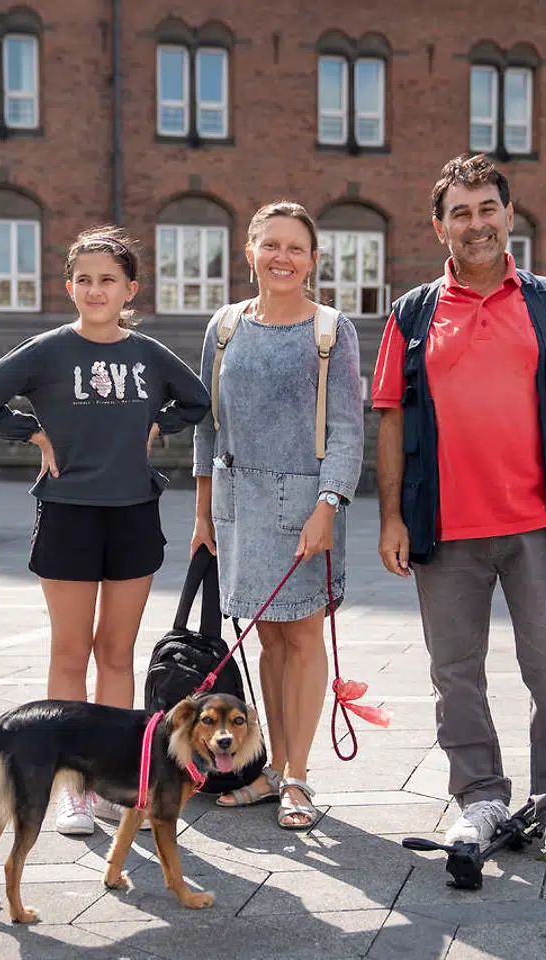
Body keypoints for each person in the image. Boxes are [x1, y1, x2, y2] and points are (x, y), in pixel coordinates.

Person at [371, 154, 546, 871]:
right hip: (444, 528)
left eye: (487, 209)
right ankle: (479, 795)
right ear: (439, 225)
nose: (475, 224)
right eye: (460, 212)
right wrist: (392, 518)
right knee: (455, 673)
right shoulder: (413, 313)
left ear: (509, 216)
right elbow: (390, 419)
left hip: (541, 525)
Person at [0, 225, 210, 835]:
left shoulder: (147, 355)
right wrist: (33, 433)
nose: (96, 290)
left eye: (108, 280)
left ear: (130, 289)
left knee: (116, 652)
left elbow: (197, 401)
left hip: (132, 514)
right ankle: (70, 785)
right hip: (67, 512)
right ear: (70, 287)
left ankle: (115, 779)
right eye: (84, 280)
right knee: (70, 652)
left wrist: (157, 425)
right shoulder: (47, 350)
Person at [191, 201, 364, 830]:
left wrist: (329, 505)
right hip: (240, 505)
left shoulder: (331, 330)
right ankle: (268, 767)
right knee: (266, 638)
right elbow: (209, 427)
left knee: (302, 636)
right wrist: (203, 512)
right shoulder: (226, 326)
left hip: (308, 505)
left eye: (295, 248)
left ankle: (298, 777)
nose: (282, 258)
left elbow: (347, 431)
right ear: (250, 252)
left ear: (313, 260)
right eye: (270, 246)